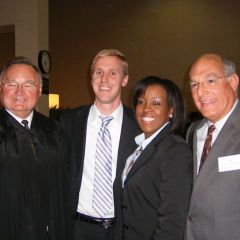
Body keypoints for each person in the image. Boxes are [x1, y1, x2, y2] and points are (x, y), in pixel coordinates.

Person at [59, 49, 139, 240]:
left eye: (113, 73)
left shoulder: (139, 126)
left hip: (123, 230)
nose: (104, 79)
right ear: (91, 78)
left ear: (125, 79)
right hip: (78, 229)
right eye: (98, 72)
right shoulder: (68, 122)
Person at [114, 76, 193, 240]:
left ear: (171, 110)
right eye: (141, 102)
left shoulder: (175, 151)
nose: (146, 109)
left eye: (156, 103)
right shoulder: (138, 147)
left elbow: (172, 223)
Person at [0, 56, 70, 239]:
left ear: (39, 91)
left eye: (28, 85)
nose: (19, 92)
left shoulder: (53, 129)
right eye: (12, 84)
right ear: (1, 88)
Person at [185, 53, 240, 240]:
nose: (200, 92)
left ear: (233, 82)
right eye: (194, 84)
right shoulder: (194, 132)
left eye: (210, 81)